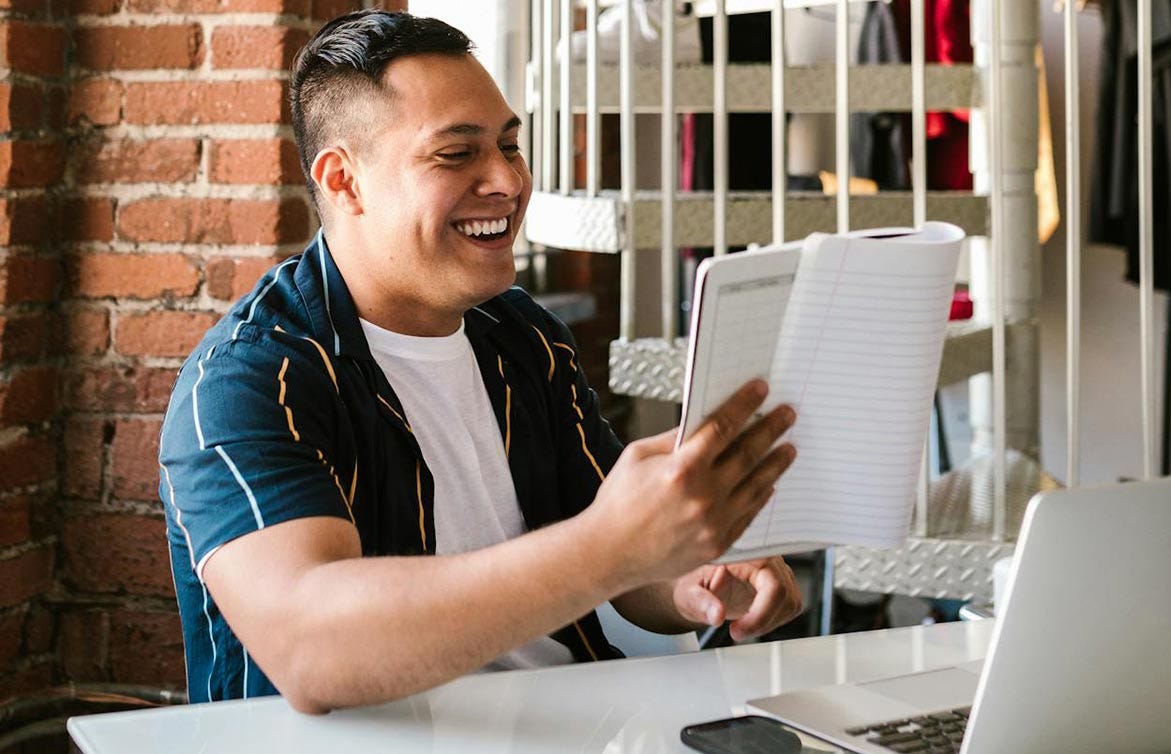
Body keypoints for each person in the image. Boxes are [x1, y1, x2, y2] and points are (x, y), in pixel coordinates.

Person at [158, 9, 801, 715]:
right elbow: (313, 653)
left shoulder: (524, 336)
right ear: (344, 182)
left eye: (510, 146)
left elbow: (622, 569)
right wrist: (614, 544)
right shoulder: (249, 381)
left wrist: (691, 574)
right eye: (456, 153)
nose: (507, 181)